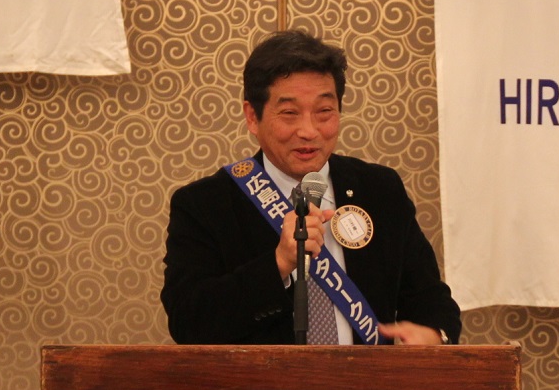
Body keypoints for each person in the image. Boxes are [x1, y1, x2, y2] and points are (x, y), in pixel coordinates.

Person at [161, 30, 461, 345]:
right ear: (252, 117)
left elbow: (432, 300)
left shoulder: (379, 190)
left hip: (366, 377)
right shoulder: (205, 204)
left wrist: (434, 337)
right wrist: (278, 263)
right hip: (263, 378)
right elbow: (188, 322)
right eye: (289, 113)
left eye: (324, 112)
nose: (309, 131)